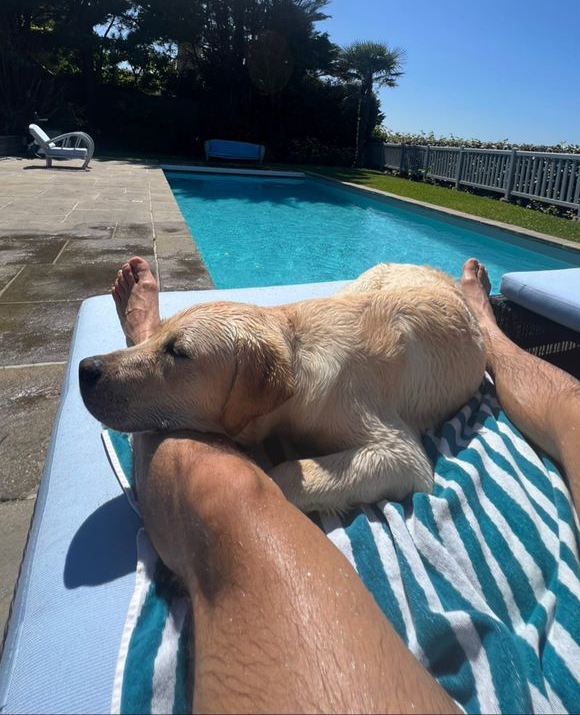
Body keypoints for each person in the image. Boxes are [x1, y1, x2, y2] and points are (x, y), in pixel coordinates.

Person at [111, 256, 580, 715]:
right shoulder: (284, 366)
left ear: (252, 396)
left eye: (177, 355)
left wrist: (284, 482)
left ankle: (482, 325)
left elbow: (406, 463)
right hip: (392, 284)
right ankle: (150, 341)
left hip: (426, 324)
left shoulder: (330, 393)